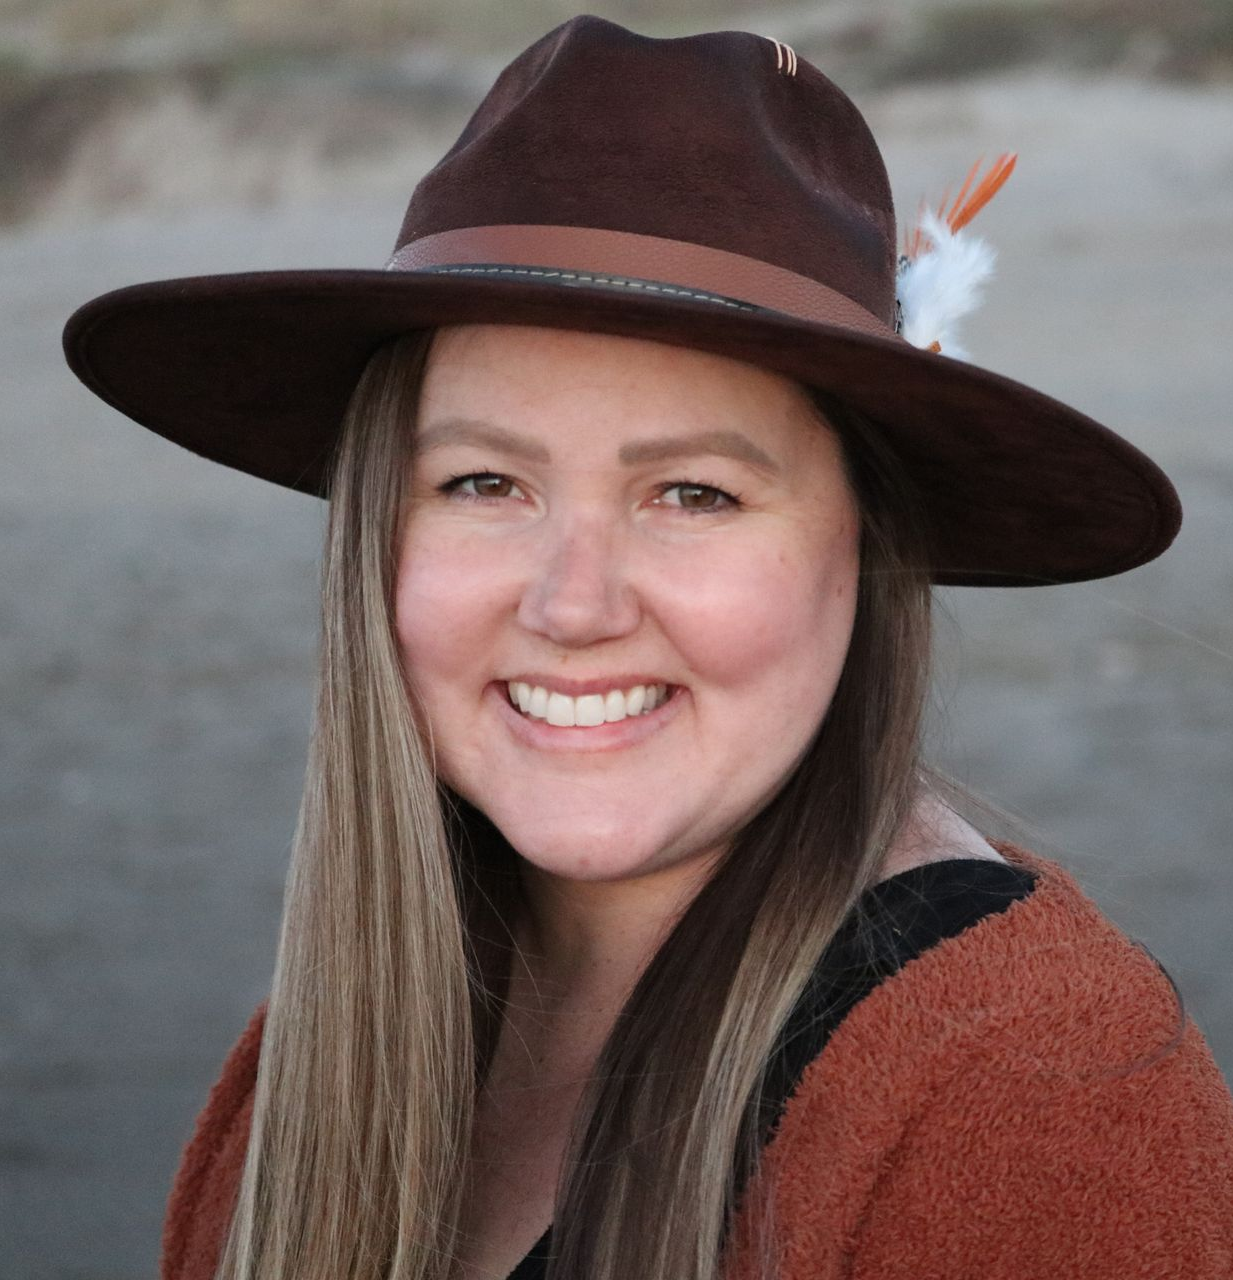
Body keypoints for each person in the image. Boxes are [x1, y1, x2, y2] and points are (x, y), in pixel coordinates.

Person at [62, 16, 1233, 1280]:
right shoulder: (317, 1056)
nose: (573, 605)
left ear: (869, 548)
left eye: (695, 494)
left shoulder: (1034, 1094)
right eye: (482, 482)